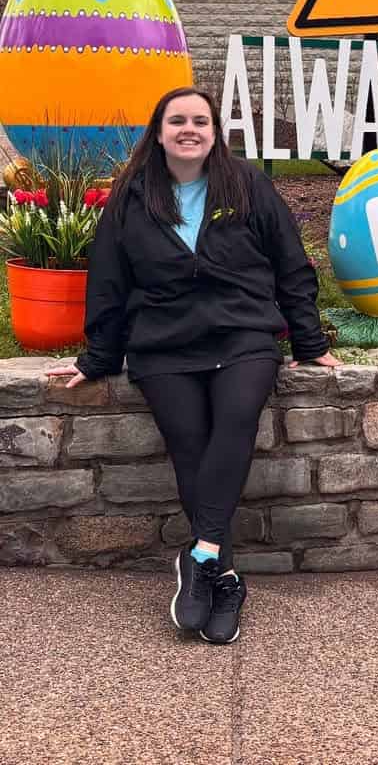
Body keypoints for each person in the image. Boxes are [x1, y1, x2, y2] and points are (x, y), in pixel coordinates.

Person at [47, 87, 340, 645]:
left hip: (242, 334)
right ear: (158, 133)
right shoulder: (131, 196)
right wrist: (99, 357)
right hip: (164, 344)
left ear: (214, 131)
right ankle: (223, 577)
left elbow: (290, 264)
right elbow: (108, 280)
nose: (189, 129)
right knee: (189, 444)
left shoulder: (247, 184)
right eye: (177, 120)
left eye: (200, 121)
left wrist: (307, 341)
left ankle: (201, 552)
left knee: (235, 420)